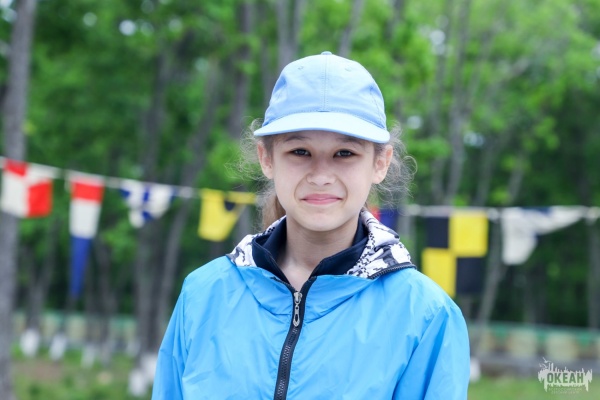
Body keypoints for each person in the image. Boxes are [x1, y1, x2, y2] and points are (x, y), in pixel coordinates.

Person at [152, 51, 470, 399]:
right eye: (300, 152)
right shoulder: (203, 294)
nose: (320, 176)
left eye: (345, 153)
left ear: (380, 162)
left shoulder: (425, 316)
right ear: (266, 158)